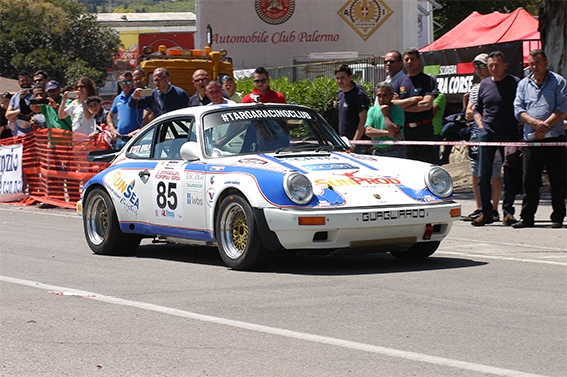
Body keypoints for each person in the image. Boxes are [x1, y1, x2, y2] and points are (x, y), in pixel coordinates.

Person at [512, 49, 566, 229]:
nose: (534, 67)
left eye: (537, 63)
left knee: (557, 180)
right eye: (531, 63)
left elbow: (562, 107)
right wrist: (535, 124)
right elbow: (518, 109)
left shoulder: (558, 82)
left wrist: (546, 126)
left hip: (554, 139)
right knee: (529, 181)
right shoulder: (523, 84)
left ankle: (558, 217)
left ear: (546, 62)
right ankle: (527, 217)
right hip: (531, 139)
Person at [471, 51, 520, 226]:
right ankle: (486, 212)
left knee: (509, 174)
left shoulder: (515, 83)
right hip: (487, 134)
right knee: (483, 175)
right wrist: (481, 125)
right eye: (490, 65)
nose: (493, 68)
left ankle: (508, 212)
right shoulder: (484, 85)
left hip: (509, 134)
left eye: (497, 65)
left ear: (505, 65)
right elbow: (477, 110)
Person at [460, 53, 503, 223]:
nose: (479, 69)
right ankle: (479, 207)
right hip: (476, 134)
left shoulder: (499, 84)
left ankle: (494, 209)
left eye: (482, 65)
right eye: (476, 66)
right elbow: (469, 114)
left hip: (494, 133)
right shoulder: (477, 87)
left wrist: (482, 113)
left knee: (494, 170)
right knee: (475, 170)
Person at [392, 47, 437, 163]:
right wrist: (415, 99)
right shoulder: (399, 82)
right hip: (406, 130)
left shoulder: (428, 80)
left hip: (424, 129)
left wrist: (403, 105)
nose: (409, 62)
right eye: (407, 59)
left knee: (427, 163)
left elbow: (426, 105)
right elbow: (393, 105)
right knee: (409, 163)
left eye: (412, 59)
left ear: (418, 61)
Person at [334, 64, 370, 153]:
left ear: (350, 77)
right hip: (344, 142)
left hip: (358, 144)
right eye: (337, 78)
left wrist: (354, 143)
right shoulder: (340, 93)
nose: (340, 81)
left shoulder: (359, 95)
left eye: (342, 77)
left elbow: (363, 121)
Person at [364, 81, 405, 158]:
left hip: (395, 151)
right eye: (379, 96)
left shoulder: (398, 110)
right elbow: (368, 131)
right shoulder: (372, 110)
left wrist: (385, 115)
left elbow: (393, 131)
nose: (381, 99)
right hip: (377, 151)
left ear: (391, 96)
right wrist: (387, 133)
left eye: (385, 95)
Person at [107, 71, 146, 149]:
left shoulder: (139, 95)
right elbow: (109, 116)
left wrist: (141, 129)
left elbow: (150, 114)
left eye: (129, 81)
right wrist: (112, 130)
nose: (126, 85)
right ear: (119, 83)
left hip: (135, 138)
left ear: (132, 82)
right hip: (120, 138)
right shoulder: (118, 98)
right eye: (123, 82)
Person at [4, 70, 33, 136]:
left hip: (34, 133)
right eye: (22, 81)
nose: (25, 82)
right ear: (19, 82)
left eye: (27, 80)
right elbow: (8, 115)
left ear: (31, 80)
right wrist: (22, 110)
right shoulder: (15, 96)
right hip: (19, 134)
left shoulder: (36, 94)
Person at [432, 91, 446, 165]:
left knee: (434, 160)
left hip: (435, 131)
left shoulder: (440, 96)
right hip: (423, 131)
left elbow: (432, 112)